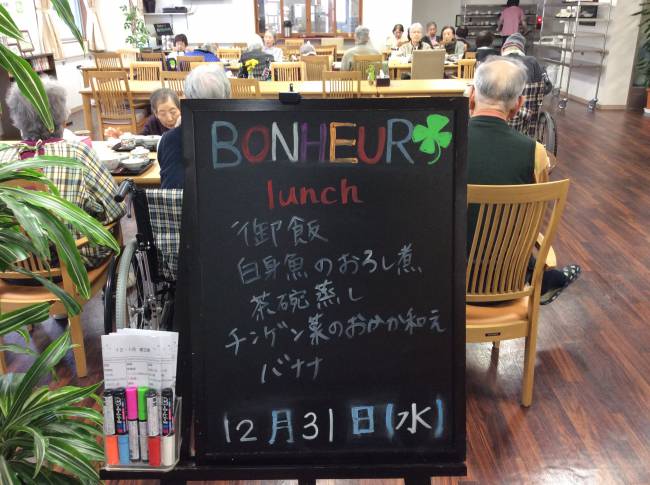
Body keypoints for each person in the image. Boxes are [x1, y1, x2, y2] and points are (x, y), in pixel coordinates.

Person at [467, 57, 580, 304]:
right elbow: (533, 213)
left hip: (443, 279)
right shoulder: (535, 153)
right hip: (504, 282)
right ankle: (544, 277)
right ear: (518, 105)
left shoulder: (442, 143)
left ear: (472, 96)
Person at [0, 79, 124, 268]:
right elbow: (115, 208)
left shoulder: (4, 158)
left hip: (13, 266)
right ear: (61, 116)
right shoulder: (76, 153)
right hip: (70, 263)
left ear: (17, 117)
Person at [157, 64, 231, 189]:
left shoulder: (170, 140)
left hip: (184, 201)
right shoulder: (243, 133)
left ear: (187, 100)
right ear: (228, 98)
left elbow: (170, 189)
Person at [501, 32, 552, 137]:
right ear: (522, 49)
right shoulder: (532, 62)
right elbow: (546, 88)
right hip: (527, 119)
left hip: (499, 117)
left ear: (504, 48)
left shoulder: (495, 62)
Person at [104, 88, 181, 138]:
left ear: (180, 109)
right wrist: (121, 136)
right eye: (163, 114)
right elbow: (140, 139)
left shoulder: (185, 121)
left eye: (173, 112)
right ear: (156, 114)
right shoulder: (153, 122)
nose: (169, 118)